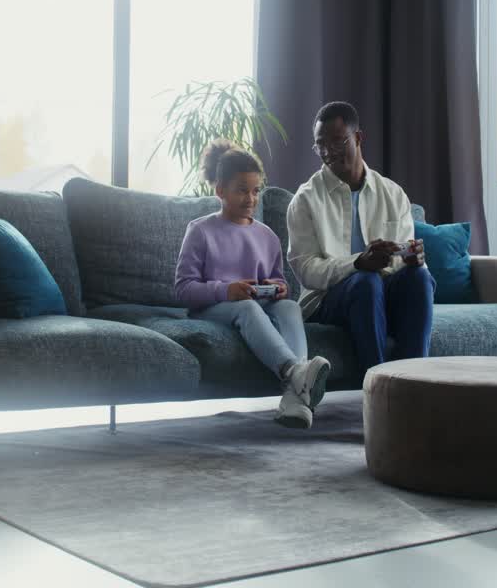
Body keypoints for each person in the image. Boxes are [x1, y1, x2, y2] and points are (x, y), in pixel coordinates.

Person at [175, 139, 332, 429]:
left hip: (256, 304)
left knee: (288, 306)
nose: (251, 199)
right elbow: (184, 289)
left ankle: (294, 400)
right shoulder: (200, 231)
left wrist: (277, 287)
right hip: (212, 309)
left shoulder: (268, 236)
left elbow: (278, 279)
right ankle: (294, 371)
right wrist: (226, 290)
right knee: (246, 306)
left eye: (256, 190)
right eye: (241, 191)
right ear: (220, 191)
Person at [286, 101, 434, 370]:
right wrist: (357, 263)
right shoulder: (305, 199)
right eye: (320, 145)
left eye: (337, 142)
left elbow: (401, 257)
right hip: (328, 300)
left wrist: (411, 257)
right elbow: (307, 270)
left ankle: (412, 383)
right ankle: (375, 385)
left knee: (420, 278)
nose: (328, 152)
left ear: (358, 138)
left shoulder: (392, 193)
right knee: (365, 281)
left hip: (383, 289)